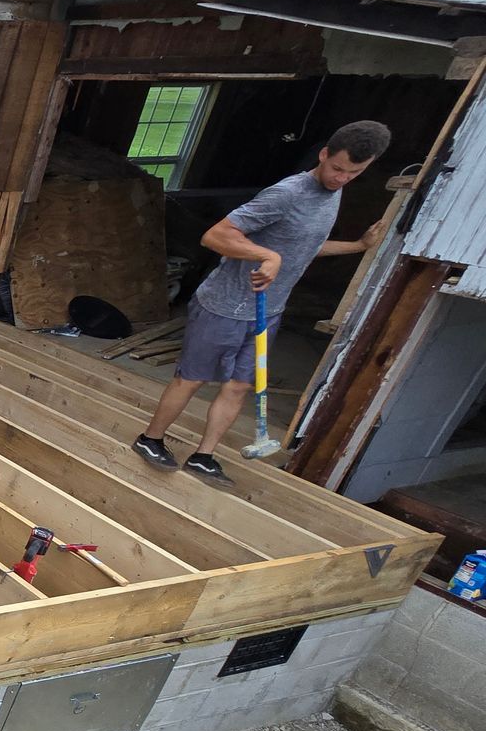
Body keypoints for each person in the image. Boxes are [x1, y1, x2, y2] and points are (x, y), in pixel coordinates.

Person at [131, 120, 392, 485]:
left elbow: (303, 246)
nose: (342, 178)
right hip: (223, 306)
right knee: (192, 379)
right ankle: (151, 439)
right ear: (323, 154)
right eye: (337, 168)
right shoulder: (286, 194)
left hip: (267, 310)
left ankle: (203, 457)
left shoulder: (333, 194)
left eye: (354, 173)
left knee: (239, 386)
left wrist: (358, 246)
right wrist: (267, 255)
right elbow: (215, 236)